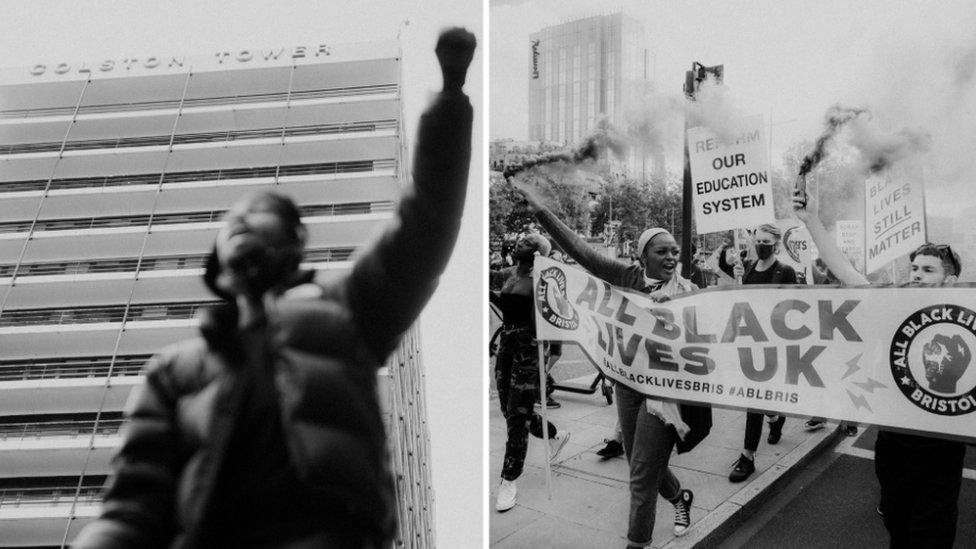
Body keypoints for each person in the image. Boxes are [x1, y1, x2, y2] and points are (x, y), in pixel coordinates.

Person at [72, 28, 475, 549]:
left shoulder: (346, 311)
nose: (238, 223)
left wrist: (450, 96)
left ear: (296, 241)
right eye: (228, 223)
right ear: (217, 264)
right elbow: (131, 509)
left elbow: (426, 227)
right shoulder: (173, 371)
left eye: (257, 213)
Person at [514, 180, 711, 548]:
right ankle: (680, 497)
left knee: (639, 476)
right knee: (641, 463)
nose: (671, 258)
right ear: (642, 257)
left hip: (663, 395)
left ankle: (636, 543)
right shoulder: (626, 278)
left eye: (674, 252)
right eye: (662, 252)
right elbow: (579, 249)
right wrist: (541, 210)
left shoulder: (688, 293)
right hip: (628, 387)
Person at [793, 189, 967, 548]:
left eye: (928, 270)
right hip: (893, 442)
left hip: (941, 448)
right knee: (897, 526)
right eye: (914, 268)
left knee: (929, 534)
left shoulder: (966, 320)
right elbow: (844, 269)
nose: (916, 274)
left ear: (949, 281)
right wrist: (811, 220)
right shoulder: (892, 303)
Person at [490, 233, 571, 512]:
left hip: (529, 348)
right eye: (522, 239)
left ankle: (509, 479)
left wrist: (550, 348)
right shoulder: (510, 273)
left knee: (517, 415)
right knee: (508, 409)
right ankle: (554, 435)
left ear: (538, 252)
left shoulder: (544, 278)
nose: (522, 241)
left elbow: (557, 312)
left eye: (529, 241)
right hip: (507, 346)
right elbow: (502, 300)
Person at [717, 228, 796, 482]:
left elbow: (793, 308)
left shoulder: (785, 272)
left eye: (767, 242)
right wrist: (732, 270)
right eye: (758, 241)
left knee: (754, 397)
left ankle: (747, 456)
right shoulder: (747, 267)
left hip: (773, 344)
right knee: (758, 396)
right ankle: (775, 418)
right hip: (749, 342)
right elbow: (730, 284)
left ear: (776, 246)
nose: (761, 245)